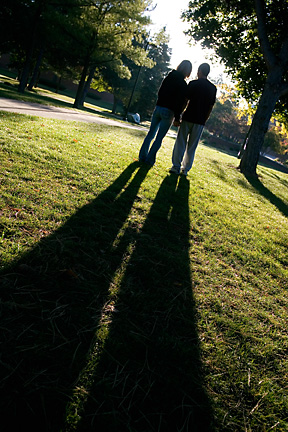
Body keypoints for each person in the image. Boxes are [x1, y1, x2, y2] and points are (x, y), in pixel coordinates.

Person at [138, 60, 192, 166]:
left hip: (159, 107)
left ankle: (142, 156)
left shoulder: (169, 77)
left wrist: (160, 102)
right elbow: (179, 102)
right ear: (188, 71)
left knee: (150, 134)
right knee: (159, 138)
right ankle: (149, 160)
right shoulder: (182, 84)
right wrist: (177, 117)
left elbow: (160, 91)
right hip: (169, 111)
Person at [169, 63, 217, 176]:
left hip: (188, 117)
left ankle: (176, 166)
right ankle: (185, 169)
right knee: (192, 147)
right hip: (200, 120)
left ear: (199, 71)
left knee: (181, 142)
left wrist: (179, 114)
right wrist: (205, 119)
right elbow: (210, 107)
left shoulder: (193, 84)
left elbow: (185, 101)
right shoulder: (212, 88)